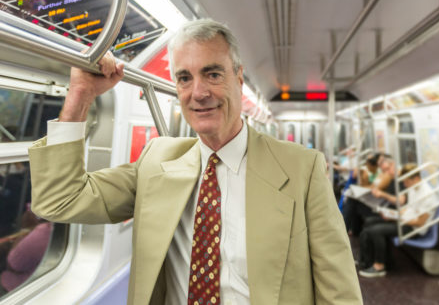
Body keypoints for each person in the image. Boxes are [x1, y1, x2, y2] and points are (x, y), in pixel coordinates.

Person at [28, 19, 362, 305]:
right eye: (184, 78)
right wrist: (80, 97)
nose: (198, 92)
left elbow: (340, 293)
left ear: (239, 77)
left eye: (213, 74)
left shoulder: (301, 169)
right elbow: (60, 200)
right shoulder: (157, 161)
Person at [358, 163, 439, 277]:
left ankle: (379, 266)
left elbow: (420, 223)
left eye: (406, 181)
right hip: (405, 220)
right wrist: (394, 214)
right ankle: (366, 261)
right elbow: (408, 209)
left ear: (416, 178)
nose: (404, 184)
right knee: (370, 222)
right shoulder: (414, 188)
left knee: (376, 231)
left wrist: (397, 219)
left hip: (413, 228)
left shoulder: (428, 196)